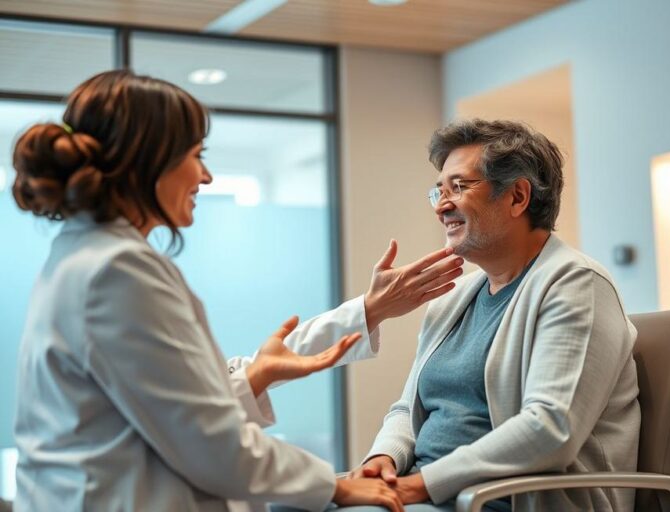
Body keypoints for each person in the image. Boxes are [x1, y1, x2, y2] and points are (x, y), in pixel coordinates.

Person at [11, 70, 464, 512]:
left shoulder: (83, 258)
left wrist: (357, 317)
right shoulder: (116, 271)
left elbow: (171, 406)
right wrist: (335, 487)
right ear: (148, 159)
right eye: (196, 155)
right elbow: (205, 439)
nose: (205, 177)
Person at [346, 119, 641, 511]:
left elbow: (550, 428)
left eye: (459, 187)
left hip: (508, 499)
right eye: (438, 191)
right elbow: (407, 408)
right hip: (430, 492)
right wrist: (382, 460)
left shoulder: (575, 284)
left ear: (518, 197)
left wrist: (419, 486)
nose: (442, 206)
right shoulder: (453, 297)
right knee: (293, 502)